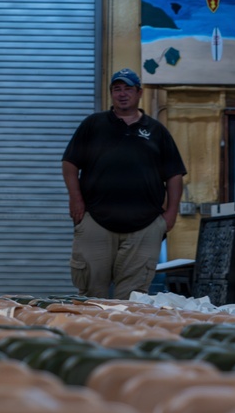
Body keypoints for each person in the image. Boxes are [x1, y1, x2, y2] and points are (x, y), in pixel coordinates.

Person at [61, 68, 186, 300]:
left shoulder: (157, 131)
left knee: (133, 298)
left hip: (145, 225)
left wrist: (170, 214)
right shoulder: (93, 125)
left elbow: (174, 175)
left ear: (139, 93)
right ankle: (89, 334)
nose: (122, 94)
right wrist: (75, 198)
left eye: (128, 88)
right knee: (90, 295)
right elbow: (70, 163)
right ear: (111, 94)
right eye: (116, 89)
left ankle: (123, 336)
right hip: (96, 221)